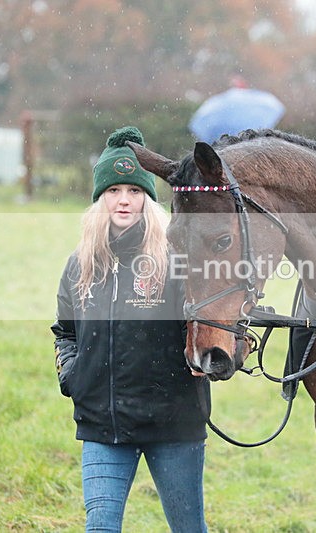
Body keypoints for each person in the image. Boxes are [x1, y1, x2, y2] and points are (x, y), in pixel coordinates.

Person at [51, 126, 211, 532]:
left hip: (173, 423)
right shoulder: (79, 266)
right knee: (100, 527)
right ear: (100, 198)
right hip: (103, 425)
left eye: (135, 190)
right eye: (114, 190)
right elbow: (65, 333)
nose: (124, 200)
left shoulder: (177, 259)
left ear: (148, 197)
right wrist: (72, 376)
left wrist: (206, 359)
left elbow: (209, 320)